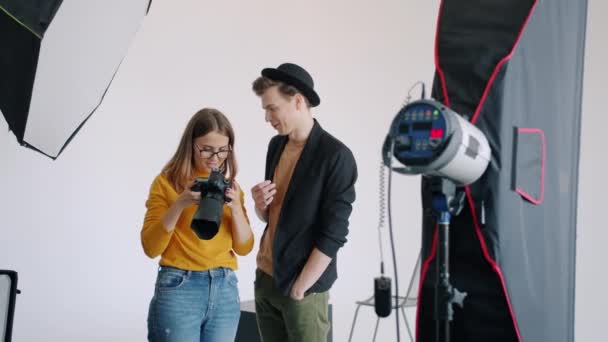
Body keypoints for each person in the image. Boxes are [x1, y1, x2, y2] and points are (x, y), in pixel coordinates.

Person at [250, 63, 358, 342]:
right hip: (266, 279)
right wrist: (260, 205)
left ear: (298, 101)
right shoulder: (276, 146)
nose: (267, 118)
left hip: (302, 288)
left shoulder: (335, 156)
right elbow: (272, 216)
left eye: (272, 108)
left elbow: (333, 234)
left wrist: (301, 287)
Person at [141, 108, 254, 342]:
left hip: (224, 287)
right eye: (206, 149)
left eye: (223, 150)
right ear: (190, 145)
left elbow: (244, 248)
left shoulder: (231, 187)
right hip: (180, 287)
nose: (215, 158)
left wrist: (234, 207)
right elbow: (151, 247)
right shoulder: (166, 183)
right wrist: (180, 203)